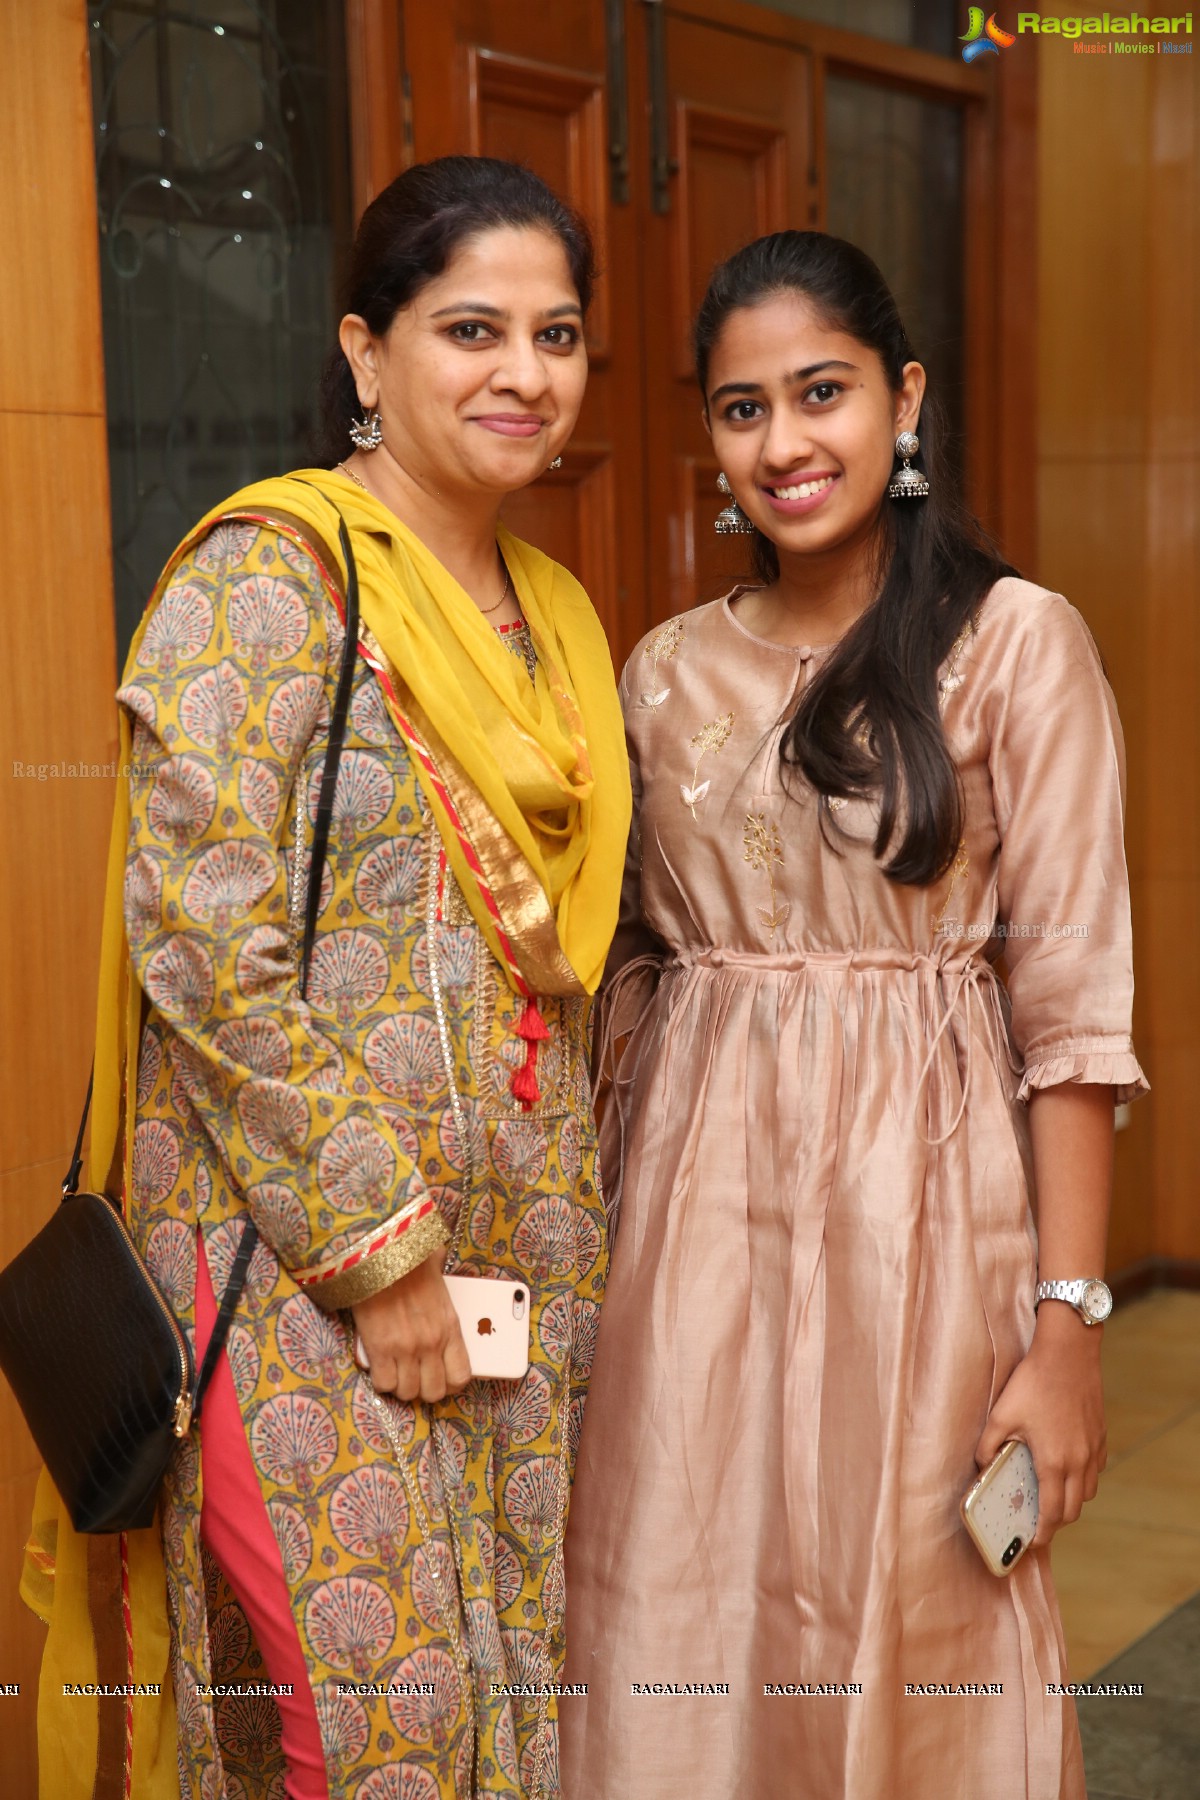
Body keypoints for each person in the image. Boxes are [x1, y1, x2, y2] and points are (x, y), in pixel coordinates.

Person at [21, 155, 630, 1800]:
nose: (524, 372)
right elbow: (202, 940)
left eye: (559, 333)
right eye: (474, 329)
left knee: (511, 1701)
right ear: (367, 353)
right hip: (293, 1264)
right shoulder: (270, 580)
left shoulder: (560, 624)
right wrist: (385, 1254)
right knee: (373, 1737)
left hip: (525, 1268)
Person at [559, 231, 1148, 1800]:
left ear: (904, 398)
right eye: (741, 409)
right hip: (693, 1235)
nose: (784, 443)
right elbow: (618, 977)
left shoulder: (1019, 643)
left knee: (914, 1617)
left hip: (928, 1231)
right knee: (680, 1593)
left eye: (820, 393)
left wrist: (1067, 1329)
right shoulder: (662, 672)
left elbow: (1076, 1015)